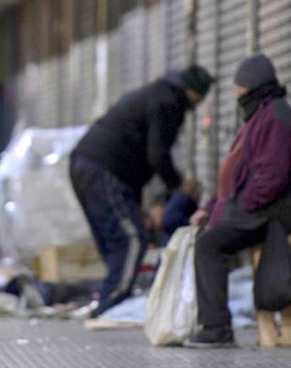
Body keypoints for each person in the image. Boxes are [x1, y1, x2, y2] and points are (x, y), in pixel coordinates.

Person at [70, 66, 213, 317]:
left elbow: (140, 157)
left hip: (87, 164)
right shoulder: (169, 102)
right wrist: (178, 188)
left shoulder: (158, 94)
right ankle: (111, 302)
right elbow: (157, 155)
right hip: (103, 168)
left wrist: (138, 204)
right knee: (132, 239)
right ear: (195, 92)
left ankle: (109, 296)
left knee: (115, 239)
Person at [185, 54, 291, 348]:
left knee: (209, 244)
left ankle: (216, 329)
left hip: (268, 212)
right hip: (253, 209)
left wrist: (241, 207)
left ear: (252, 88)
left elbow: (272, 177)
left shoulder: (275, 118)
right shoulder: (259, 116)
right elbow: (234, 177)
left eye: (240, 90)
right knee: (206, 236)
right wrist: (211, 208)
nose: (238, 97)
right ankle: (213, 324)